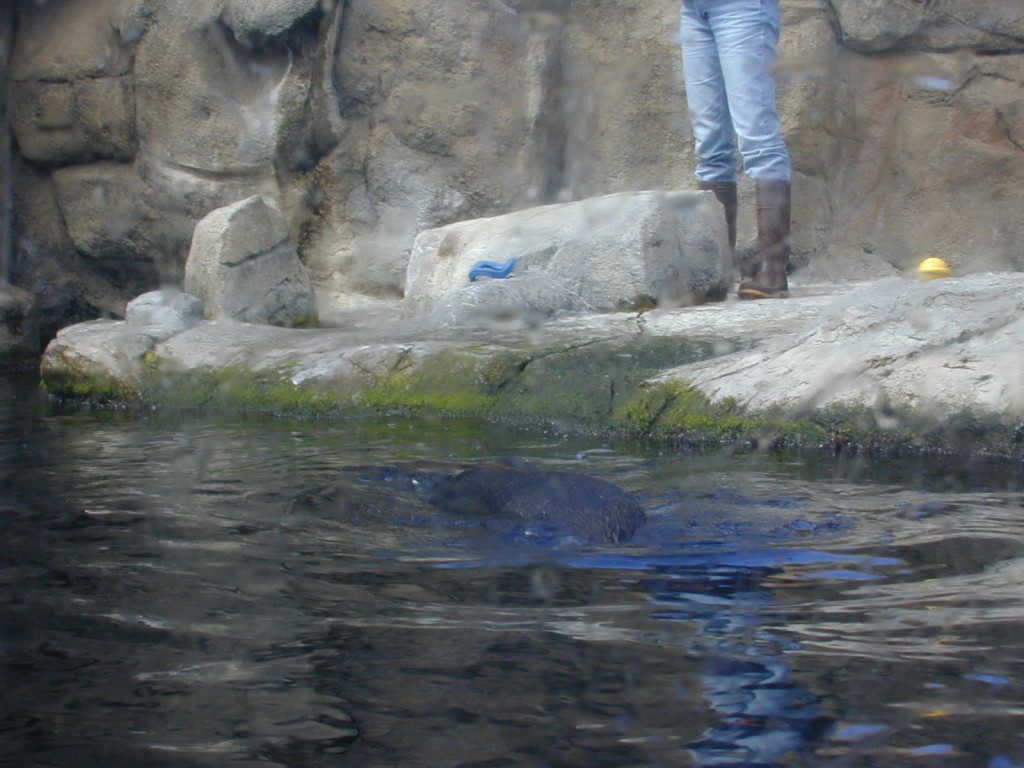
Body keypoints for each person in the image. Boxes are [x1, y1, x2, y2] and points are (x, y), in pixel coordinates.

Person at [679, 0, 791, 299]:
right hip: (693, 10)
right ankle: (717, 272)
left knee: (757, 136)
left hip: (741, 8)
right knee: (709, 146)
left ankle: (773, 270)